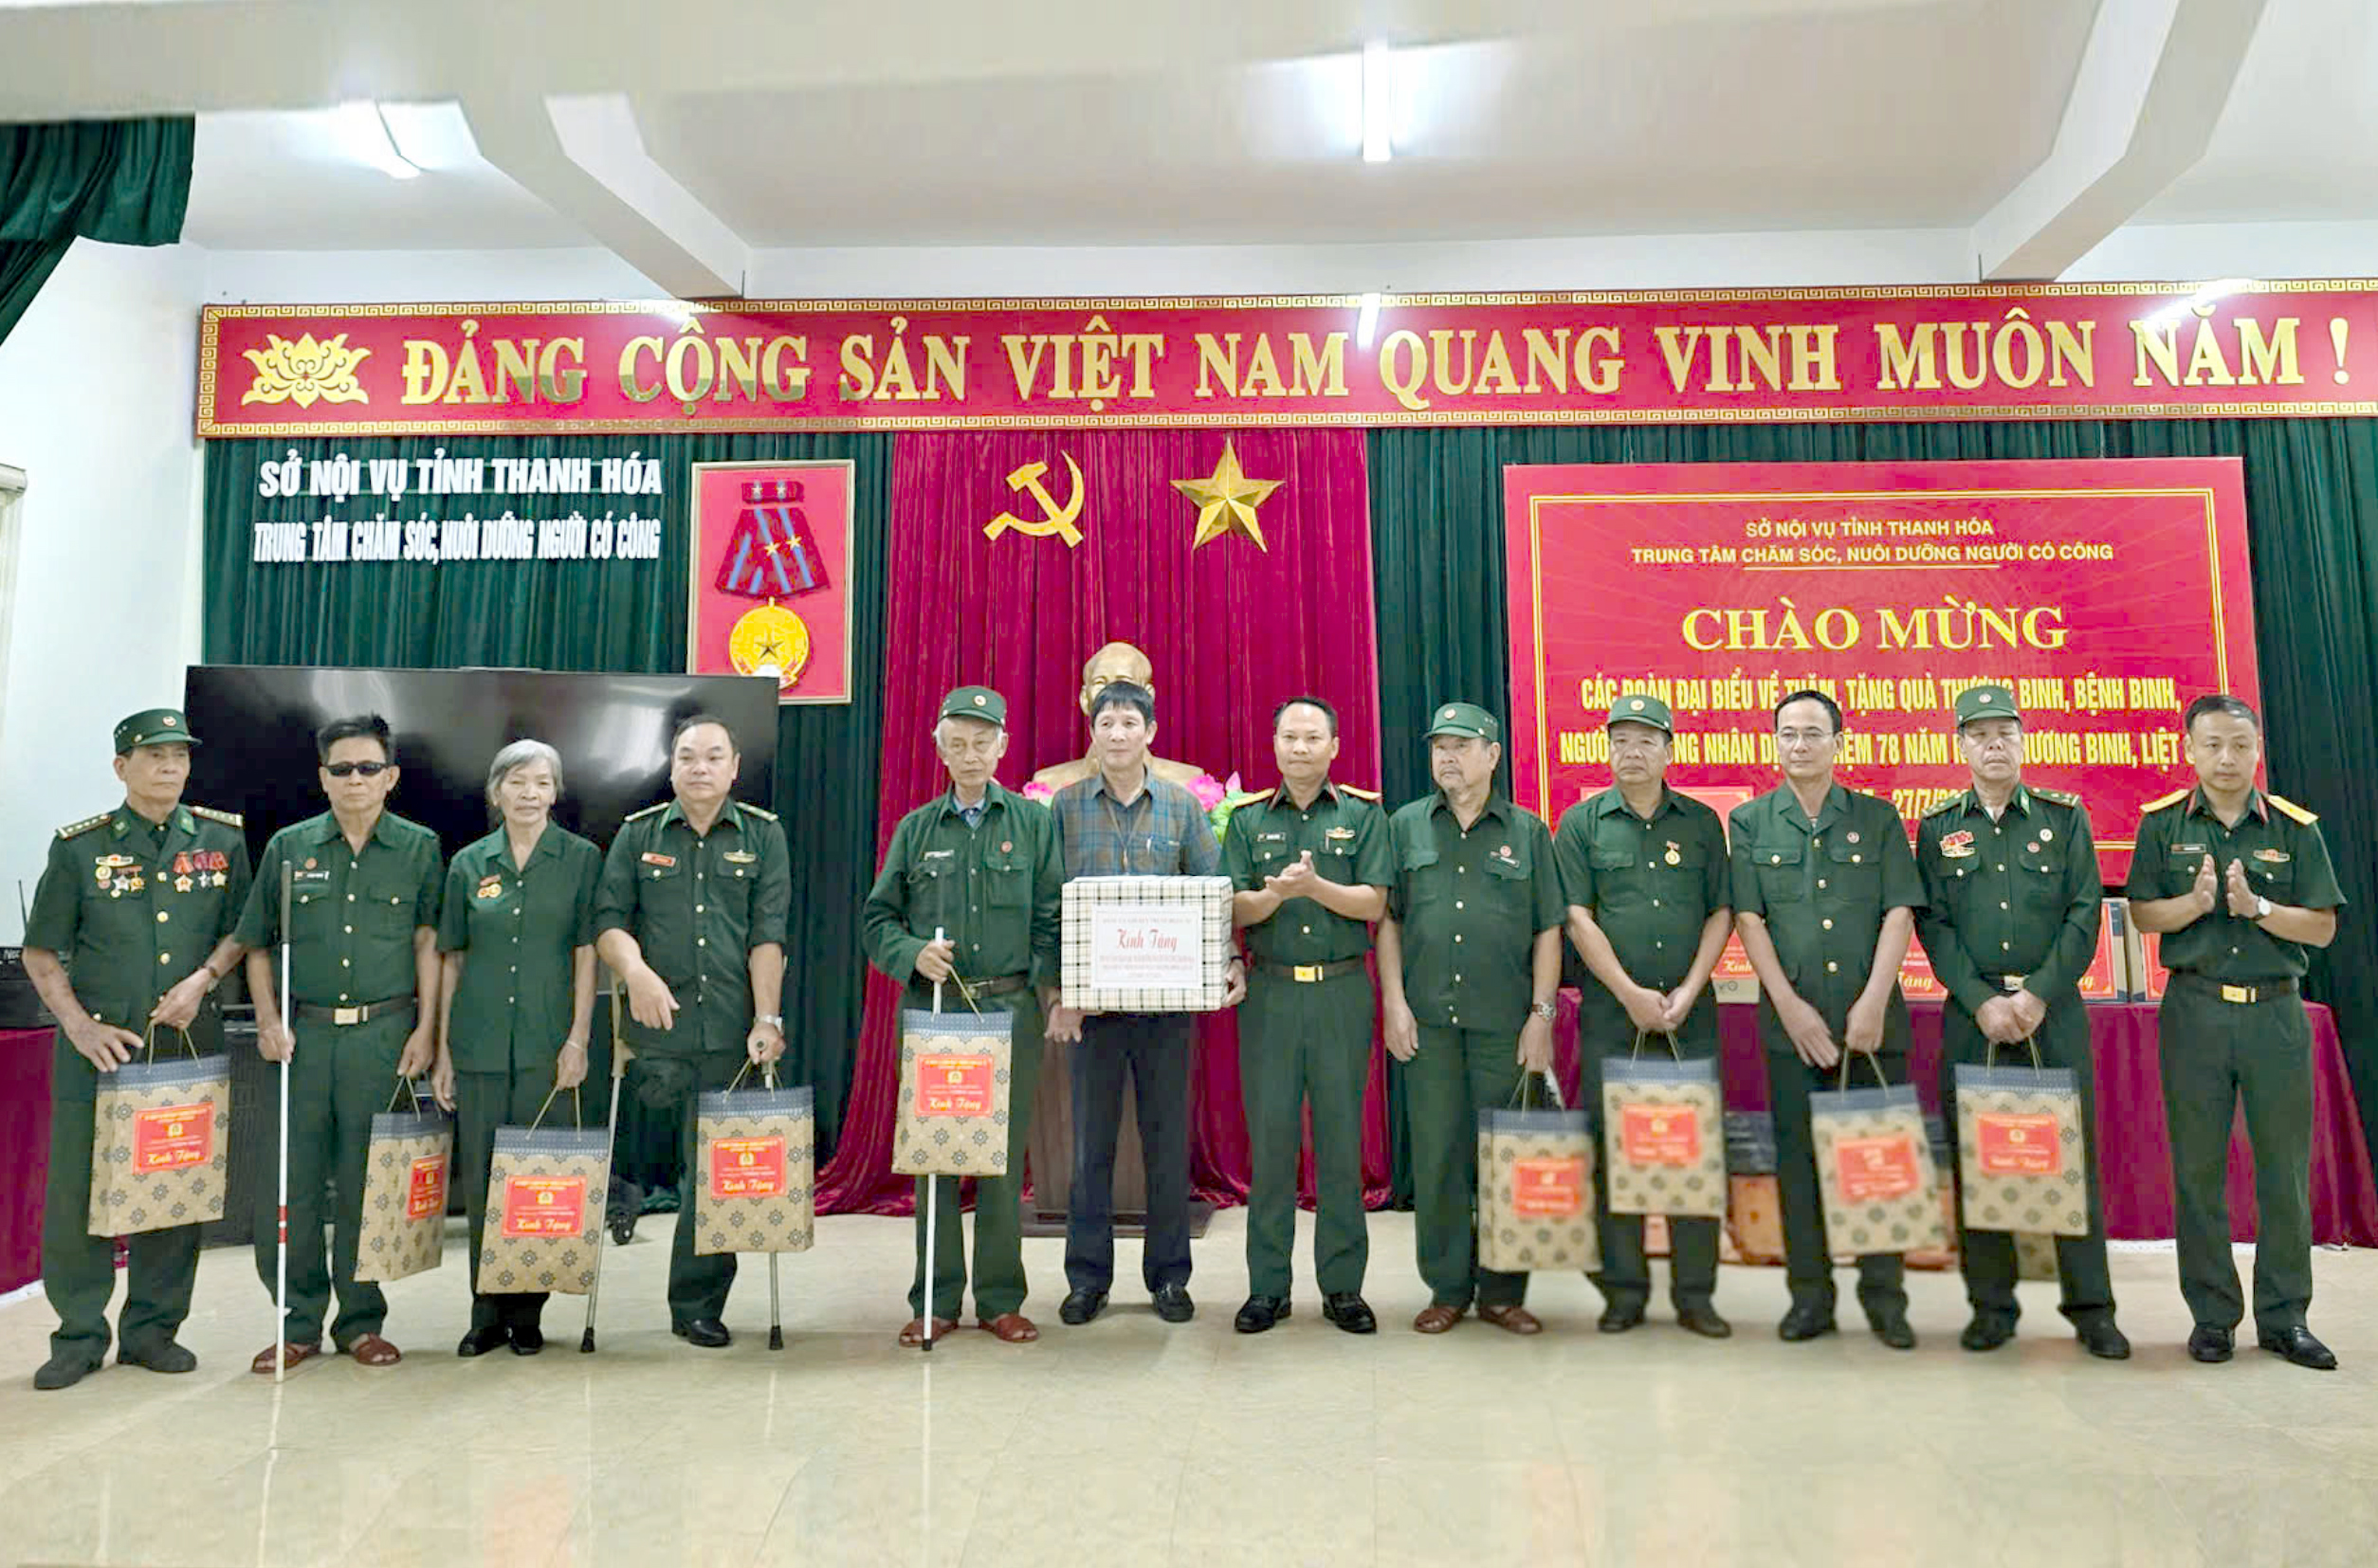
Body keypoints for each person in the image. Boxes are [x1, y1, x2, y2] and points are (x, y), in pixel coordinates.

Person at [23, 709, 252, 1390]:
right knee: (78, 1195)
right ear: (122, 767)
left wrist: (204, 980)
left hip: (186, 1043)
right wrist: (79, 1027)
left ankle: (153, 1331)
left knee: (174, 1188)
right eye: (155, 755)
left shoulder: (222, 840)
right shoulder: (80, 848)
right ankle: (78, 1335)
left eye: (180, 755)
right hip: (99, 1051)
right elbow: (41, 953)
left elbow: (242, 932)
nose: (171, 767)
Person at [2127, 693, 2344, 1371]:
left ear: (2257, 751)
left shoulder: (2295, 829)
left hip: (2275, 1013)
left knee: (2284, 1172)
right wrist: (2193, 904)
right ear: (2189, 749)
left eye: (2240, 745)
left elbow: (2323, 927)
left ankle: (2285, 1318)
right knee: (2198, 1172)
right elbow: (2143, 915)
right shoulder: (2161, 825)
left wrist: (2258, 907)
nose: (2227, 758)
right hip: (2194, 1012)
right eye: (2213, 744)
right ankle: (2213, 1317)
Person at [1915, 684, 2129, 1359]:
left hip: (2052, 1011)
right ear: (1961, 746)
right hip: (1973, 1014)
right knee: (1980, 1157)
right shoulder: (1937, 828)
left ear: (2022, 740)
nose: (1994, 746)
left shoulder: (2064, 819)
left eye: (2004, 733)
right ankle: (1991, 1307)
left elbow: (2084, 912)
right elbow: (1934, 925)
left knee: (2068, 1156)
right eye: (1979, 735)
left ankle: (2092, 1309)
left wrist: (2036, 996)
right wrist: (1981, 1000)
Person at [237, 713, 443, 1373]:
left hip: (384, 1036)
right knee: (290, 1184)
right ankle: (297, 1323)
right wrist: (267, 1020)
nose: (356, 779)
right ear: (323, 778)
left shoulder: (419, 848)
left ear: (392, 777)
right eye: (342, 769)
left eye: (368, 768)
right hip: (303, 1039)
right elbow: (257, 944)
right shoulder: (289, 848)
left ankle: (360, 1321)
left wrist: (427, 1030)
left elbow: (428, 943)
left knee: (367, 1184)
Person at [862, 686, 1063, 1346]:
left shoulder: (1032, 824)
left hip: (1008, 1009)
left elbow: (1051, 917)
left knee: (1002, 1161)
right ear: (940, 750)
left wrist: (1046, 992)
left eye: (982, 743)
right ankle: (936, 1301)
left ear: (1002, 747)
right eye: (957, 744)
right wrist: (911, 954)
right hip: (935, 1012)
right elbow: (878, 920)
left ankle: (1000, 1300)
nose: (970, 755)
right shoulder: (916, 829)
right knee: (937, 1161)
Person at [1729, 689, 1926, 1350]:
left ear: (1839, 742)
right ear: (1775, 743)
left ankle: (1885, 1301)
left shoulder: (1877, 818)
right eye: (1788, 733)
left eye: (1814, 733)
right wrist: (1790, 1008)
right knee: (1801, 1168)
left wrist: (1873, 1001)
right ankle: (1809, 1299)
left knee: (1879, 1165)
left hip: (1872, 1025)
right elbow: (1749, 919)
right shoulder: (1751, 823)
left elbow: (1899, 911)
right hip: (1794, 1026)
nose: (1800, 744)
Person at [1045, 680, 1243, 1326]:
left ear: (1150, 732)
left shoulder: (1181, 808)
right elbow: (1047, 905)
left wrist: (1230, 960)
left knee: (1165, 1146)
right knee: (1090, 1149)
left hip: (1165, 1008)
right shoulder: (1064, 808)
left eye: (1130, 722)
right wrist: (1060, 993)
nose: (1118, 734)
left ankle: (1169, 1277)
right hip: (1092, 1011)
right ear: (1093, 731)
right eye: (1107, 723)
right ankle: (1087, 1280)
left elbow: (1215, 893)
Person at [594, 714, 791, 1348]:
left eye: (712, 756)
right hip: (655, 1035)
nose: (699, 767)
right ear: (672, 765)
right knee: (656, 1162)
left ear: (734, 767)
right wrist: (636, 973)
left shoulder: (763, 835)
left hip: (729, 1032)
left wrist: (767, 1019)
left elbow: (767, 936)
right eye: (687, 756)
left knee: (713, 1173)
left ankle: (697, 1303)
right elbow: (609, 923)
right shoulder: (637, 834)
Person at [1379, 702, 1563, 1337]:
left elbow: (1548, 929)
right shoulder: (1405, 825)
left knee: (1507, 1158)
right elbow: (1390, 921)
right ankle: (1448, 1288)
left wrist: (1541, 1016)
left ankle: (1503, 1293)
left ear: (1493, 755)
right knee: (1438, 1158)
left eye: (1461, 745)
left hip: (1504, 1026)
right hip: (1428, 1023)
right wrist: (1394, 1003)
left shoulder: (1528, 832)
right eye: (1440, 747)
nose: (1448, 757)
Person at [1552, 693, 1733, 1339]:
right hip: (1613, 1012)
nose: (1631, 752)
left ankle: (1695, 1295)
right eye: (1620, 741)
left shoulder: (1701, 824)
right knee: (1615, 1149)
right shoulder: (1581, 824)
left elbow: (1721, 910)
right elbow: (1577, 917)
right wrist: (1629, 992)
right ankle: (1624, 1291)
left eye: (1645, 741)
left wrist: (1689, 988)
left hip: (1691, 1012)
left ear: (1668, 750)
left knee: (1692, 1149)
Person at [1222, 696, 1391, 1336]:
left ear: (1334, 747)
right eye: (1289, 737)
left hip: (1341, 993)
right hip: (1270, 995)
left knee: (1341, 1142)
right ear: (1273, 745)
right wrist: (1275, 896)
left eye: (1312, 738)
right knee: (1271, 1145)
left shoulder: (1362, 815)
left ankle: (1343, 1288)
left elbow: (1374, 904)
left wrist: (1315, 888)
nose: (1300, 748)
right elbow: (1233, 907)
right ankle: (1267, 1288)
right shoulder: (1246, 821)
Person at [431, 739, 602, 1358]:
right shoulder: (468, 864)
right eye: (517, 782)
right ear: (495, 791)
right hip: (477, 1043)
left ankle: (528, 1312)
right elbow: (451, 959)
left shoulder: (581, 859)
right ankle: (485, 1312)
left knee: (536, 1181)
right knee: (482, 1183)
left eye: (542, 782)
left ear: (556, 793)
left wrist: (578, 1037)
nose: (530, 794)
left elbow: (586, 954)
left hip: (545, 1044)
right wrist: (443, 1050)